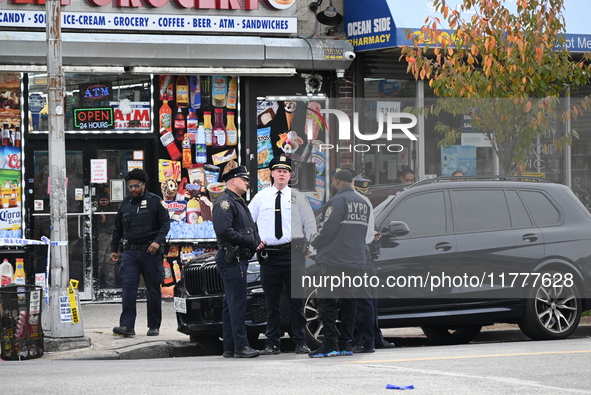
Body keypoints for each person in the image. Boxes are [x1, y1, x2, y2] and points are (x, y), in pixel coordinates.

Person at [249, 156, 317, 355]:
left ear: (290, 175)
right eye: (278, 170)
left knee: (297, 300)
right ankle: (272, 342)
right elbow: (247, 222)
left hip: (294, 253)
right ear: (271, 173)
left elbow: (310, 224)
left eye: (285, 171)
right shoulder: (261, 197)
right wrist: (254, 242)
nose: (281, 174)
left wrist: (309, 249)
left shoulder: (298, 197)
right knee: (272, 302)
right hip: (269, 256)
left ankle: (300, 341)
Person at [309, 170, 371, 358]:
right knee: (349, 302)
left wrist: (313, 244)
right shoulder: (363, 203)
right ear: (351, 181)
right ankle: (346, 344)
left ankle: (329, 345)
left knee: (326, 303)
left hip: (334, 260)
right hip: (356, 261)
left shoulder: (336, 201)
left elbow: (328, 230)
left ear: (336, 181)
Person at [110, 168, 170, 337]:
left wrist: (157, 242)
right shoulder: (126, 203)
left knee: (152, 289)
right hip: (130, 252)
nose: (133, 190)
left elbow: (165, 224)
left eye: (136, 186)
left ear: (144, 185)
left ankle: (154, 325)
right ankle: (127, 326)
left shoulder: (155, 201)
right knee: (129, 287)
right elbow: (117, 228)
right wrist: (115, 249)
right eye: (130, 187)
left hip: (150, 252)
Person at [212, 165, 263, 359]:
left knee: (230, 303)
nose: (247, 182)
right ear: (233, 181)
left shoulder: (238, 202)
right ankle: (241, 346)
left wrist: (254, 240)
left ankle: (230, 346)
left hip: (238, 258)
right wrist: (249, 241)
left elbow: (249, 227)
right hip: (232, 258)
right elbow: (224, 230)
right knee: (237, 303)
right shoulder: (225, 202)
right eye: (244, 179)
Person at [351, 175, 395, 351]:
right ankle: (370, 337)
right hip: (364, 255)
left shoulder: (355, 202)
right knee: (368, 301)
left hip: (359, 256)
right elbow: (369, 232)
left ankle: (366, 338)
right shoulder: (365, 202)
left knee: (363, 301)